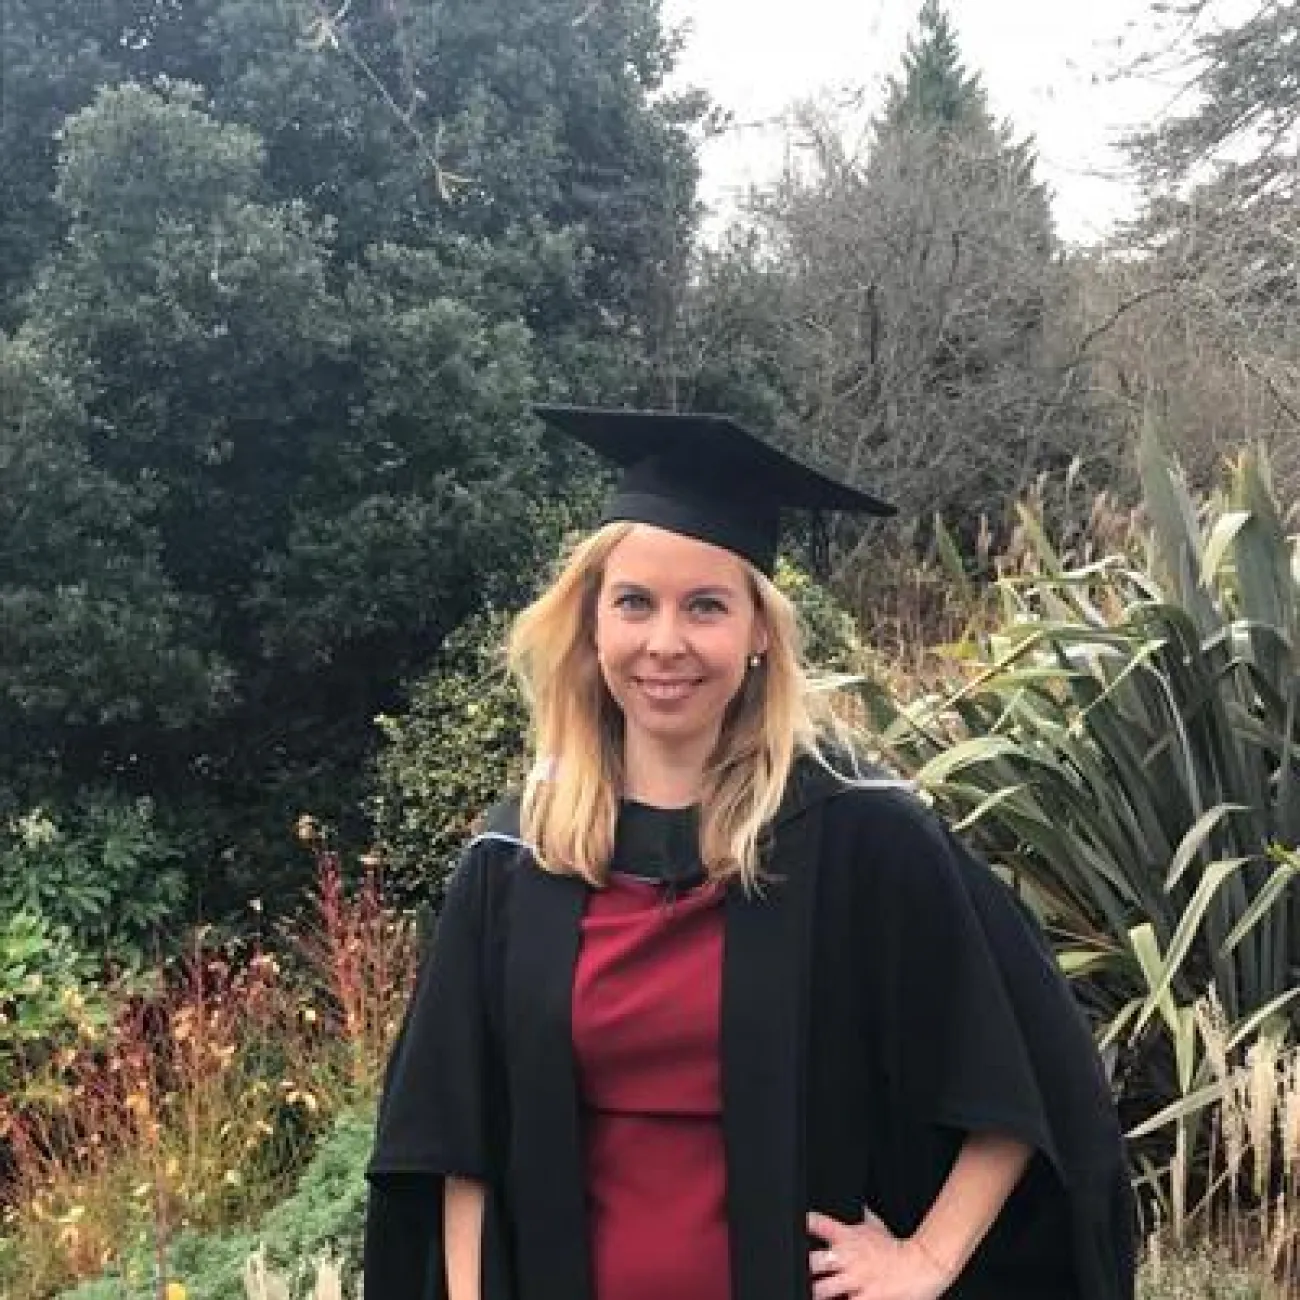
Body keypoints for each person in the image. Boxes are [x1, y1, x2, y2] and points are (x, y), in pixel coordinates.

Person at [364, 405, 1135, 1300]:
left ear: (760, 631)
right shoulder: (518, 856)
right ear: (591, 623)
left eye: (706, 607)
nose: (665, 643)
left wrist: (926, 1259)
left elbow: (1026, 1067)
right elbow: (459, 1140)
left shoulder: (858, 833)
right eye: (633, 604)